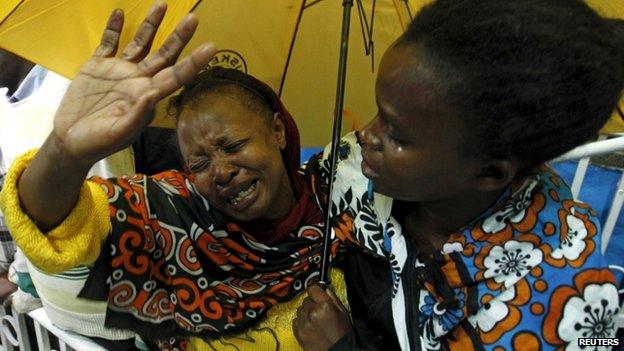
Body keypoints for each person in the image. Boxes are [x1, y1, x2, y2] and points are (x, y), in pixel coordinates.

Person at [0, 2, 347, 350]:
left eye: (234, 145)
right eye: (199, 164)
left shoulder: (344, 200)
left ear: (277, 130)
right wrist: (64, 150)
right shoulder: (170, 215)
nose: (221, 172)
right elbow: (55, 223)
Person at [292, 0, 624, 350]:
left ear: (490, 172)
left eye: (397, 136)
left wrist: (342, 347)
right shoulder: (359, 171)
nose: (366, 136)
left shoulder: (557, 314)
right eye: (379, 112)